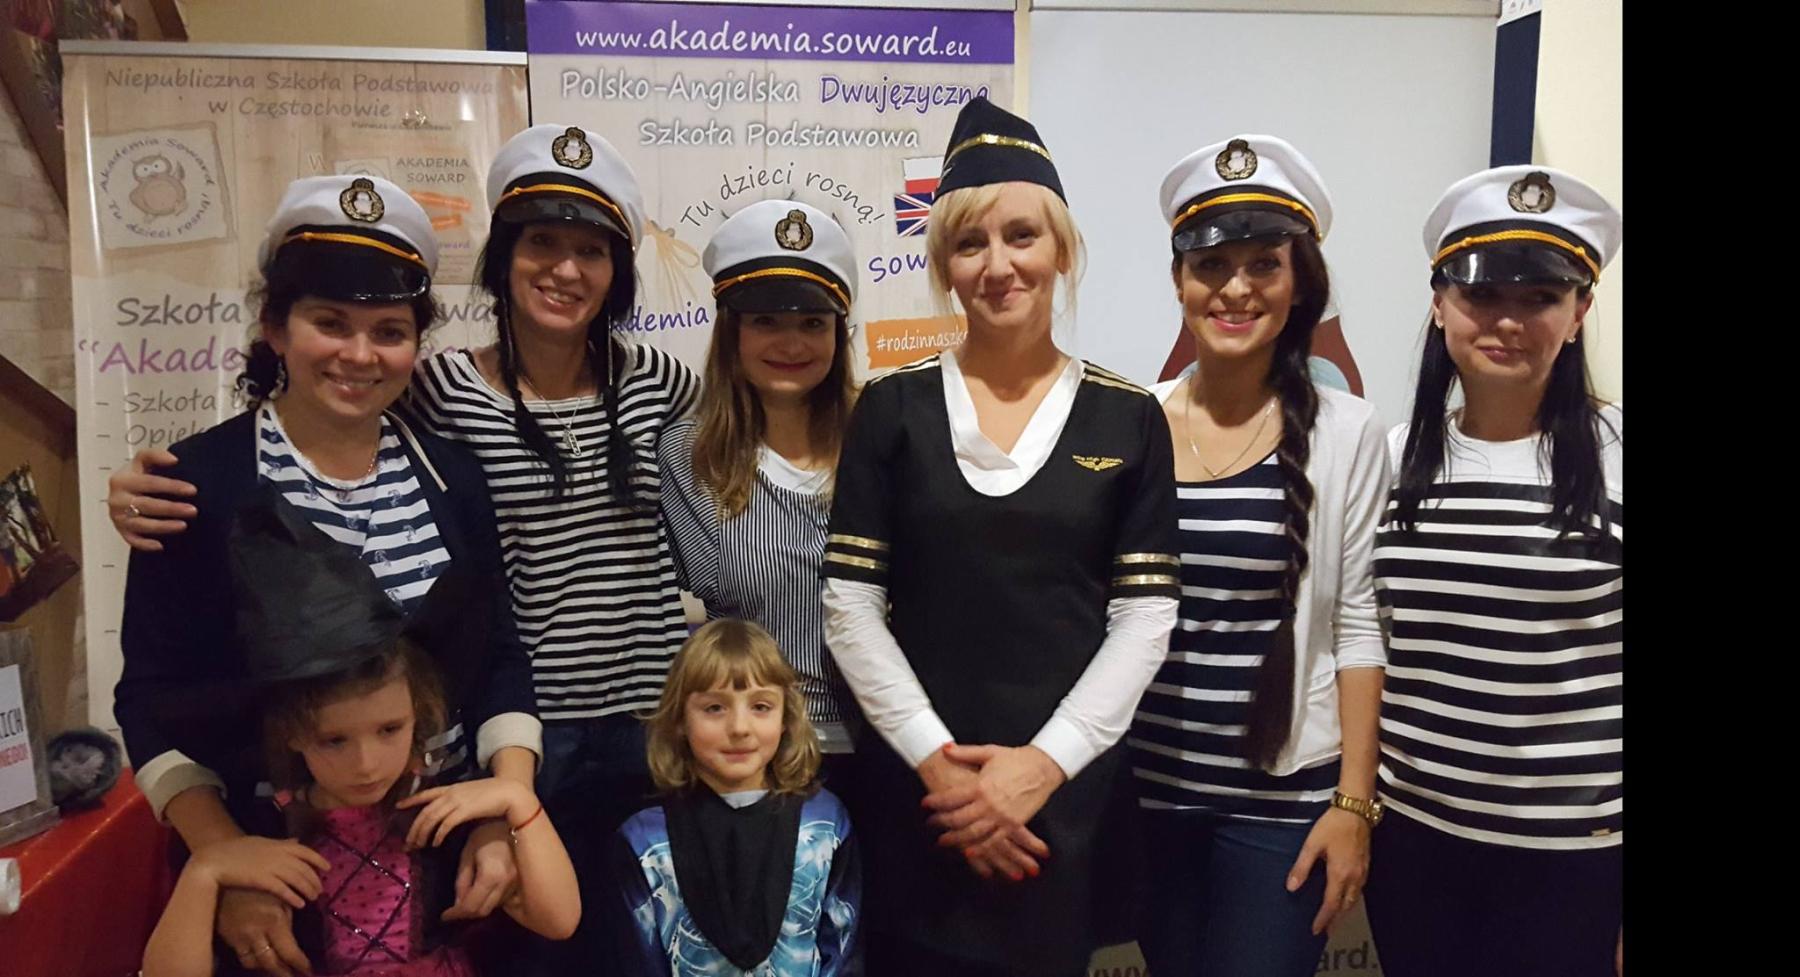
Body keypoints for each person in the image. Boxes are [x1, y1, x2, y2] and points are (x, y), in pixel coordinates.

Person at [113, 175, 539, 977]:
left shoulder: (453, 479)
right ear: (276, 328)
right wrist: (226, 860)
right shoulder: (196, 485)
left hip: (441, 859)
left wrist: (498, 816)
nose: (359, 354)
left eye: (389, 331)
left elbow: (499, 660)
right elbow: (150, 698)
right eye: (330, 323)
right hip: (278, 872)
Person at [820, 96, 1179, 977]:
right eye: (969, 243)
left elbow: (1144, 619)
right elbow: (850, 606)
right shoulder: (892, 408)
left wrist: (1042, 767)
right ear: (944, 264)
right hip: (925, 801)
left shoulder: (1128, 416)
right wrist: (941, 768)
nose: (998, 264)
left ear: (1062, 249)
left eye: (1022, 235)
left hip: (1060, 804)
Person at [1130, 134, 1390, 977]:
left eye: (1263, 265)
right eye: (1211, 265)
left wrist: (1354, 803)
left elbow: (1359, 625)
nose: (1236, 288)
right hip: (1150, 793)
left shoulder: (1349, 430)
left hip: (1284, 804)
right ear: (1179, 281)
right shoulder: (1132, 419)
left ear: (1299, 282)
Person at [1363, 165, 1623, 977]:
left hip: (1575, 857)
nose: (1508, 320)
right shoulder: (1394, 456)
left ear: (1579, 313)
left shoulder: (1617, 458)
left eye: (1541, 296)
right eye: (1481, 294)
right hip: (1414, 843)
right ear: (1440, 305)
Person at [140, 499, 576, 976]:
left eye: (389, 729)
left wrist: (517, 798)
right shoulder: (269, 832)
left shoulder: (438, 818)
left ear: (418, 717)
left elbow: (558, 921)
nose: (366, 763)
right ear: (291, 734)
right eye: (334, 740)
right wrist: (206, 870)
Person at [658, 198, 863, 773]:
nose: (791, 345)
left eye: (813, 323)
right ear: (732, 332)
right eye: (766, 321)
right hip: (750, 750)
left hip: (883, 743)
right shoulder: (690, 457)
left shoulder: (880, 439)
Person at [610, 618, 860, 976]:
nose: (740, 728)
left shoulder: (825, 822)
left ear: (786, 717)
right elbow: (637, 961)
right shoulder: (644, 840)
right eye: (715, 708)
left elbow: (843, 952)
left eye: (761, 706)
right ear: (679, 719)